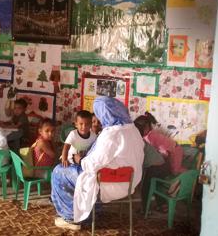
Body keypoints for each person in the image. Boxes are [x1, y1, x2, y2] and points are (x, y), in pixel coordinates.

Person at [51, 97, 144, 230]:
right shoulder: (133, 130)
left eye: (100, 114)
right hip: (128, 184)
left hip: (106, 185)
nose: (100, 119)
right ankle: (90, 210)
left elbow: (92, 164)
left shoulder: (112, 133)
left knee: (59, 171)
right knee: (76, 172)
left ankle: (71, 218)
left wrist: (80, 160)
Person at [134, 115, 172, 213]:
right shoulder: (141, 141)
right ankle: (163, 206)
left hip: (156, 167)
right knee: (156, 186)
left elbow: (140, 161)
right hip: (163, 166)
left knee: (145, 187)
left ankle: (145, 209)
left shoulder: (139, 143)